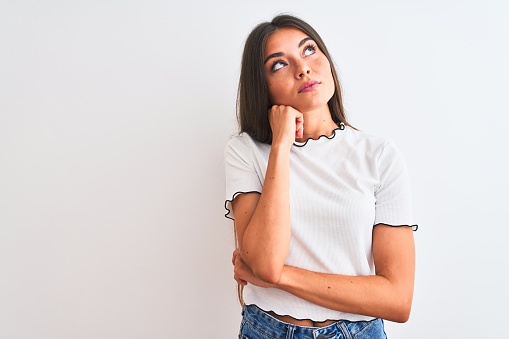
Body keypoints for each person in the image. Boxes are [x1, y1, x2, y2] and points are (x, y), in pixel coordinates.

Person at [224, 14, 417, 339]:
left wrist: (280, 278)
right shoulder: (246, 151)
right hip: (268, 330)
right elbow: (264, 261)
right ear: (263, 86)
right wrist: (281, 145)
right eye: (278, 65)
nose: (303, 68)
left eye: (309, 50)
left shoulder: (379, 156)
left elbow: (397, 299)